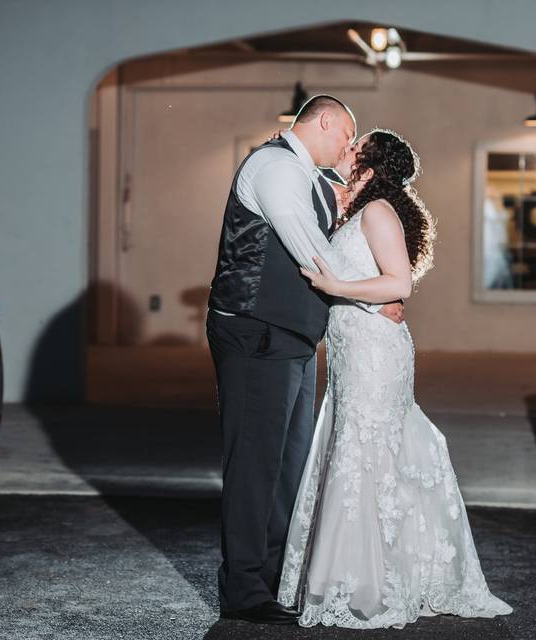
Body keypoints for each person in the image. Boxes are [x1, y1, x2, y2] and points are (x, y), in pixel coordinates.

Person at [277, 129, 514, 629]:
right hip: (351, 346)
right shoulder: (357, 207)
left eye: (354, 147)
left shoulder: (379, 212)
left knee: (370, 454)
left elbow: (398, 281)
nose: (345, 151)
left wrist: (335, 286)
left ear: (370, 163)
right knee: (357, 450)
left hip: (375, 353)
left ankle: (374, 580)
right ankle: (359, 573)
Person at [205, 95, 404, 625]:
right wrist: (375, 295)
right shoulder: (274, 167)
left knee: (286, 465)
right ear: (326, 122)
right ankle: (244, 589)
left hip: (291, 337)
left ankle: (273, 579)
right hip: (256, 333)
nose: (347, 149)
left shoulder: (309, 177)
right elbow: (312, 252)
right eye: (347, 136)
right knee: (253, 462)